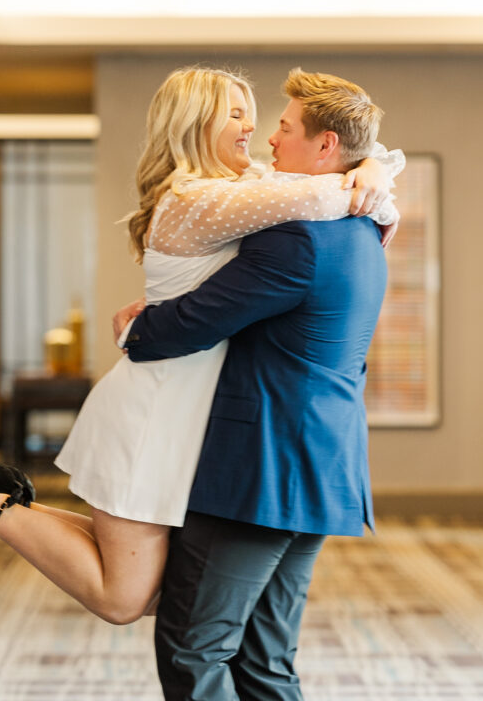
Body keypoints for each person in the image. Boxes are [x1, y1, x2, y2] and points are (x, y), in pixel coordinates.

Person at [0, 66, 401, 629]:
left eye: (255, 115)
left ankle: (2, 496)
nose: (255, 130)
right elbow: (325, 192)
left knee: (149, 581)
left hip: (191, 412)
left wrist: (372, 165)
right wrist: (369, 178)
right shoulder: (197, 198)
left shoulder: (247, 190)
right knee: (124, 599)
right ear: (194, 123)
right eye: (236, 114)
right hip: (155, 409)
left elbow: (331, 178)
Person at [116, 66, 396, 700]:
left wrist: (136, 327)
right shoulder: (367, 229)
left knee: (194, 647)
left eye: (285, 127)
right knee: (264, 659)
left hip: (261, 472)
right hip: (324, 466)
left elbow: (192, 322)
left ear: (325, 148)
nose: (270, 139)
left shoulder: (299, 239)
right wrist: (373, 166)